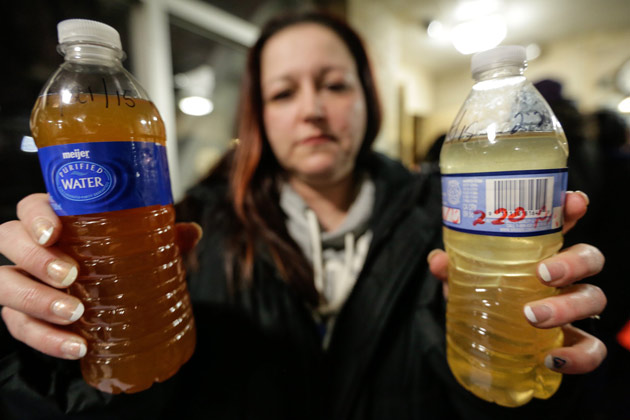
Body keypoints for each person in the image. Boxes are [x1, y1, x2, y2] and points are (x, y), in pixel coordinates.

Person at [0, 10, 607, 420]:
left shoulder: (457, 215)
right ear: (257, 116)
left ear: (368, 101)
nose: (313, 110)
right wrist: (55, 353)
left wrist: (552, 356)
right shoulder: (191, 231)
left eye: (335, 85)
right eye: (283, 92)